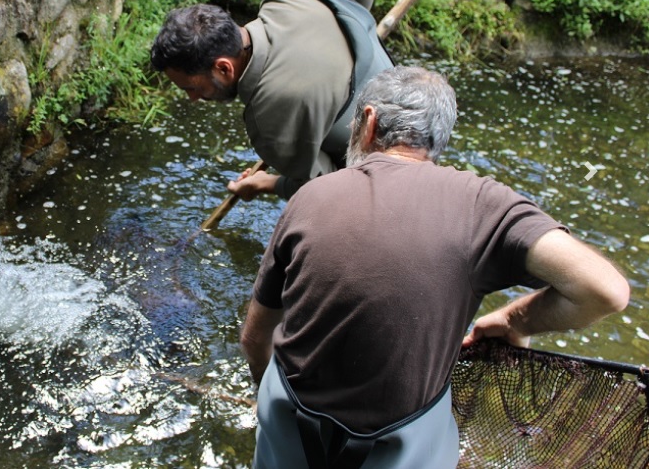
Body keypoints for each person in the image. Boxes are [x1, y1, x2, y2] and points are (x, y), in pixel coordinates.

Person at [239, 65, 631, 469]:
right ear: (438, 138)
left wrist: (262, 393)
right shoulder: (483, 205)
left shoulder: (312, 195)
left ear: (368, 123)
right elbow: (605, 290)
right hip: (399, 447)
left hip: (292, 429)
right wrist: (516, 321)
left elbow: (255, 338)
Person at [150, 0, 380, 200]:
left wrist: (265, 184)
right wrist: (359, 35)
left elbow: (327, 190)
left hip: (391, 169)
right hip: (411, 98)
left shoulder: (268, 119)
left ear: (223, 68)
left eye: (192, 88)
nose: (193, 99)